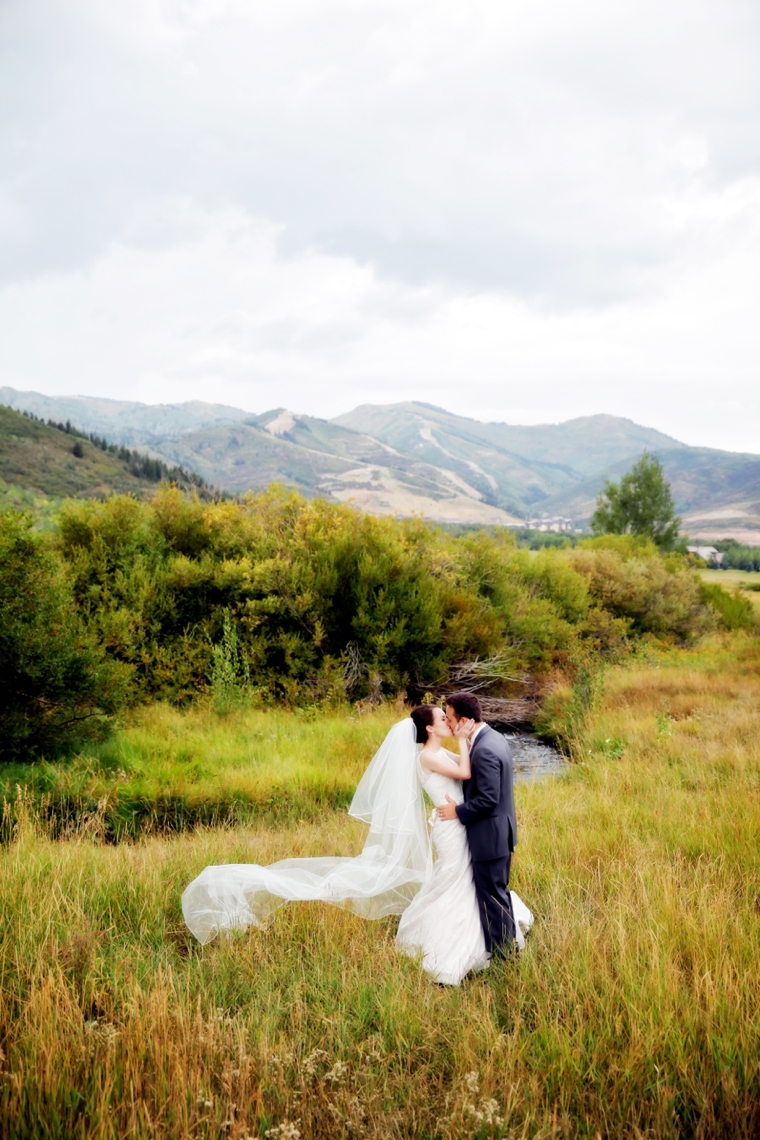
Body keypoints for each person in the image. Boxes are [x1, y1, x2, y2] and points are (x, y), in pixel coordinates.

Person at [182, 705, 532, 984]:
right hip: (451, 826)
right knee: (452, 880)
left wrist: (465, 739)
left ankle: (478, 935)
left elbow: (466, 772)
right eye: (443, 719)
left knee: (462, 882)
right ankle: (448, 940)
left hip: (456, 823)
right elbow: (467, 774)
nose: (448, 721)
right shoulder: (427, 755)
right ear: (429, 728)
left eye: (450, 717)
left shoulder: (438, 752)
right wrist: (464, 739)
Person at [436, 692, 523, 959]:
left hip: (490, 836)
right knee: (497, 892)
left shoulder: (484, 749)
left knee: (493, 897)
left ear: (465, 720)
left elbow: (487, 799)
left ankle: (504, 956)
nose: (448, 724)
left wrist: (456, 811)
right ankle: (508, 946)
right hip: (499, 832)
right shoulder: (492, 736)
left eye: (450, 718)